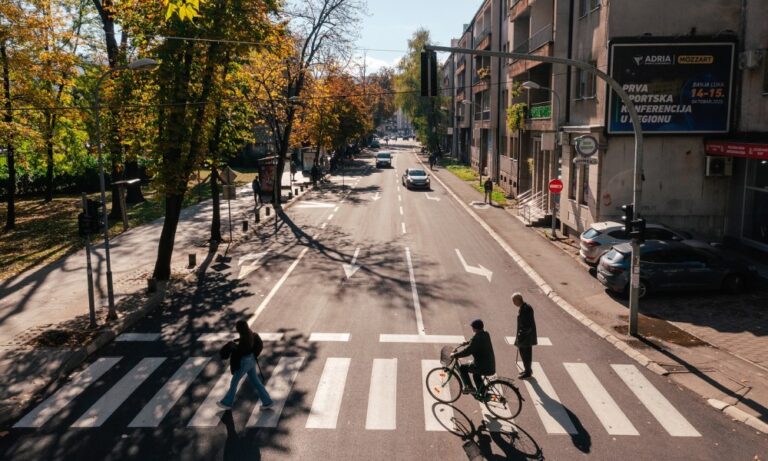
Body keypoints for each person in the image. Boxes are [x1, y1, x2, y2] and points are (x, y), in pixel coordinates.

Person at [217, 320, 273, 410]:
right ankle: (267, 402)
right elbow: (246, 346)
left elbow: (242, 351)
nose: (236, 328)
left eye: (237, 327)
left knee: (234, 382)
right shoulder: (249, 333)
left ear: (240, 328)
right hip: (251, 360)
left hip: (245, 362)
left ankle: (227, 403)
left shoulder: (245, 339)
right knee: (256, 382)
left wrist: (233, 347)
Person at [451, 319, 496, 395]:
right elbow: (475, 341)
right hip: (489, 365)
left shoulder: (477, 338)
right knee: (476, 374)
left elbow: (468, 351)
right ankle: (483, 392)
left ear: (475, 328)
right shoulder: (485, 334)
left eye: (472, 327)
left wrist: (455, 355)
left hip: (483, 366)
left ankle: (469, 388)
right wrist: (468, 342)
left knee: (462, 368)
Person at [512, 292, 537, 379]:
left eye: (514, 301)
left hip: (526, 337)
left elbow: (525, 325)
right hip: (526, 336)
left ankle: (527, 372)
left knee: (525, 354)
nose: (513, 303)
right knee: (525, 354)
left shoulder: (525, 309)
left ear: (518, 300)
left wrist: (520, 336)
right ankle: (528, 370)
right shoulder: (525, 307)